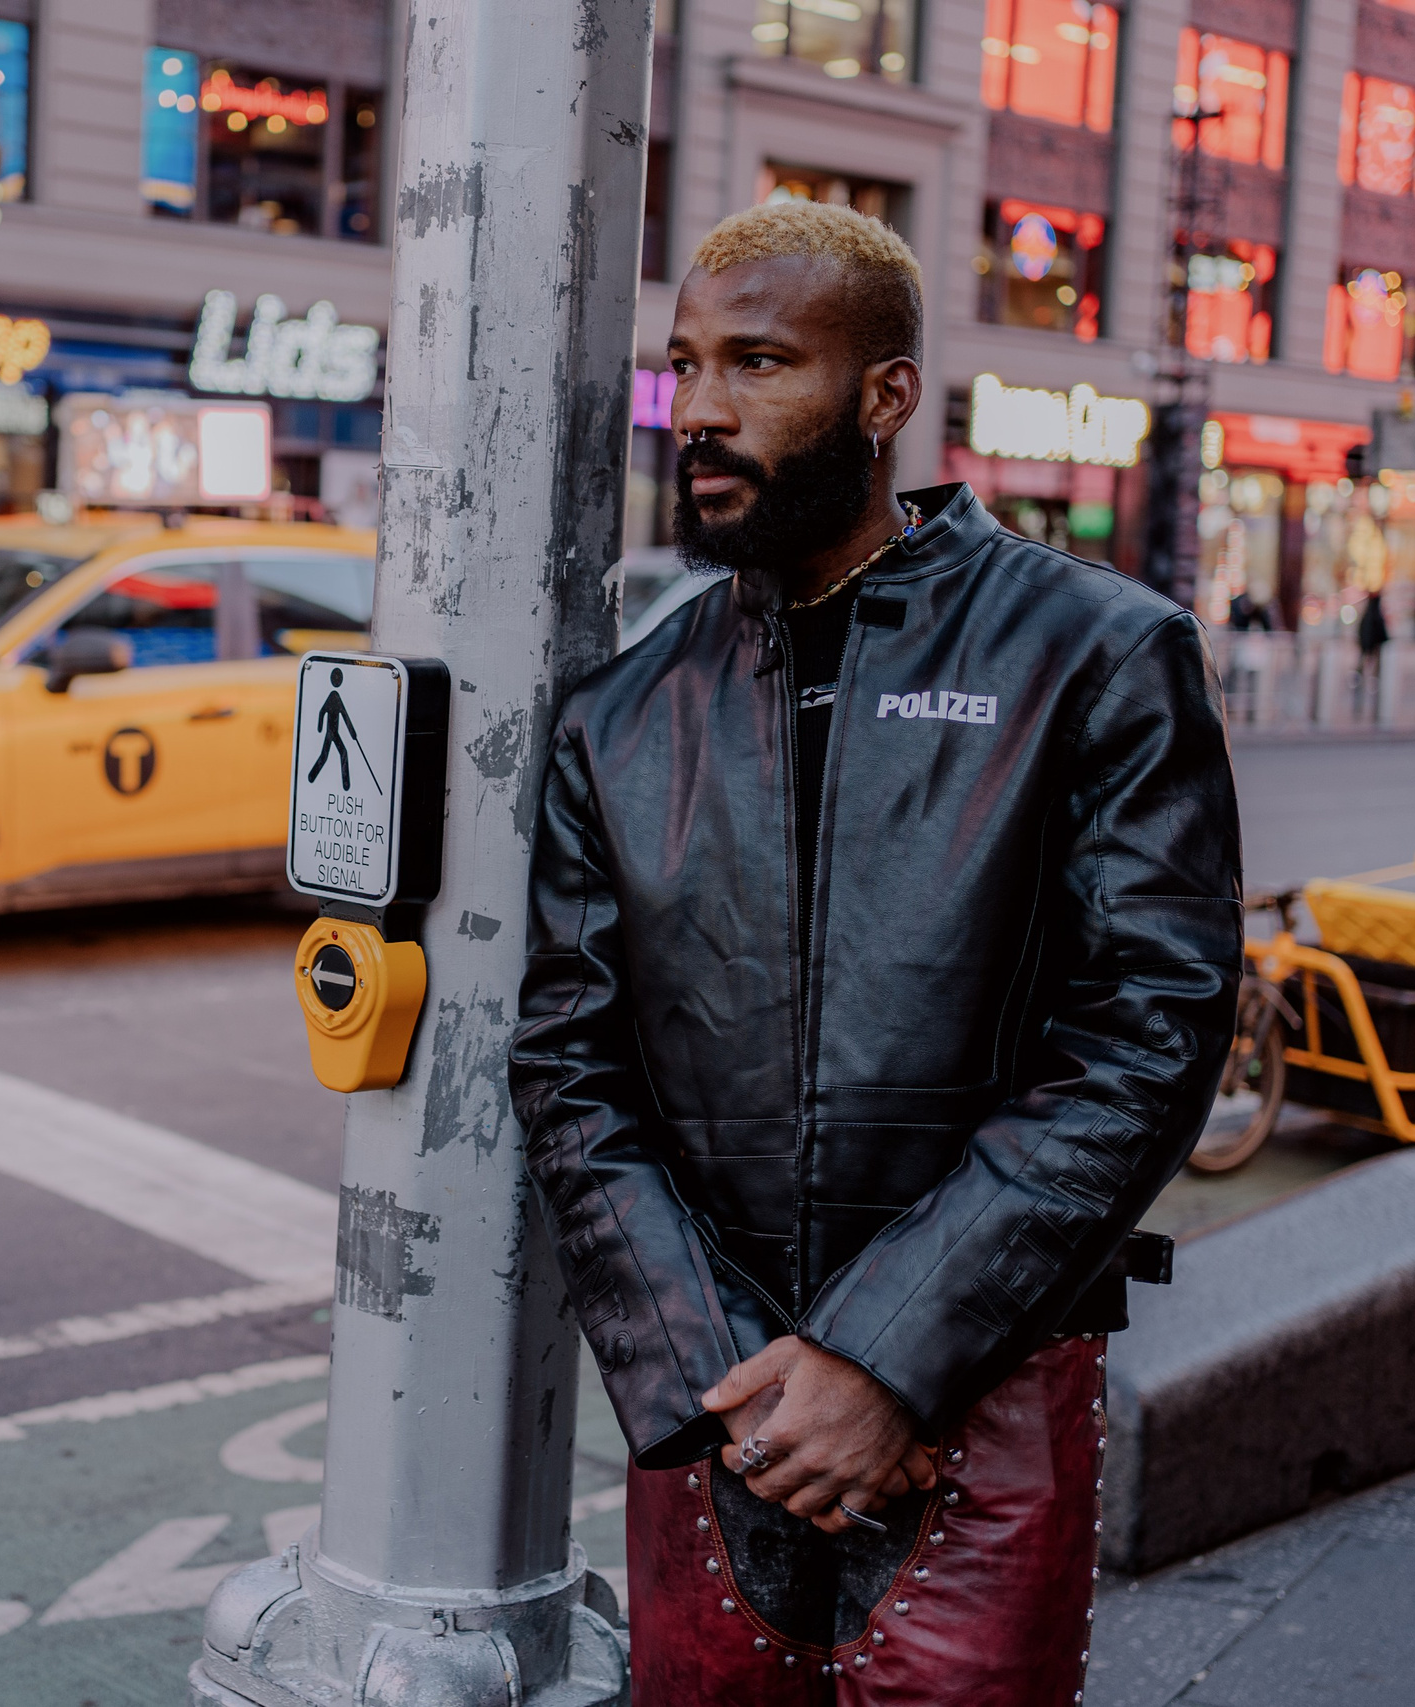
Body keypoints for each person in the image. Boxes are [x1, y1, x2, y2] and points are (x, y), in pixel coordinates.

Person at [508, 201, 1242, 1704]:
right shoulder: (621, 714)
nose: (699, 410)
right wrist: (731, 1382)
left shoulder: (1094, 652)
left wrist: (886, 1357)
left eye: (758, 362)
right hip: (717, 1419)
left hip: (983, 1397)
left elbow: (1150, 1033)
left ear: (885, 395)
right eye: (685, 364)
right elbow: (569, 1067)